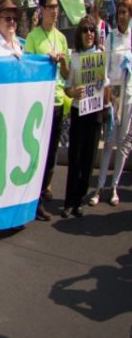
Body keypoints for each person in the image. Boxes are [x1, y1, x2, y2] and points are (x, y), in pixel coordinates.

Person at [24, 0, 71, 221]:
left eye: (56, 7)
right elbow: (28, 69)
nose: (55, 10)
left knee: (52, 150)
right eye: (50, 6)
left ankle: (43, 190)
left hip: (58, 100)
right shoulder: (33, 37)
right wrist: (45, 61)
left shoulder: (61, 37)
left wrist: (61, 61)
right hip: (39, 104)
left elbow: (67, 72)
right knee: (37, 151)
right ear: (41, 9)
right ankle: (34, 198)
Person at [63, 19, 105, 218]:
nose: (89, 34)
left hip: (94, 113)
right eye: (85, 30)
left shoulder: (100, 56)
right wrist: (73, 91)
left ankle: (80, 199)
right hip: (79, 111)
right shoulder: (76, 58)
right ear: (79, 34)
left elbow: (106, 86)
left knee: (88, 159)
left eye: (92, 30)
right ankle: (69, 201)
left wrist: (101, 85)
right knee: (75, 157)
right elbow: (67, 86)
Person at [93, 0, 132, 206]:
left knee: (123, 144)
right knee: (109, 141)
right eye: (120, 12)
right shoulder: (111, 38)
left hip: (129, 95)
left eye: (126, 12)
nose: (122, 16)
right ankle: (99, 187)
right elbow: (104, 69)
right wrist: (108, 92)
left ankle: (114, 186)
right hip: (114, 93)